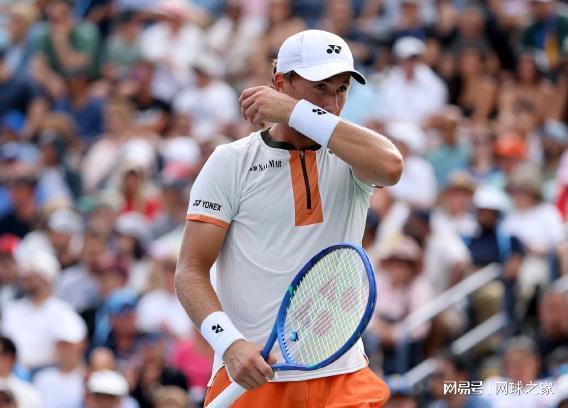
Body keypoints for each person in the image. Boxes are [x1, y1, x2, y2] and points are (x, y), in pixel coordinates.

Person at [175, 29, 402, 407]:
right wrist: (229, 344)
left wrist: (296, 111)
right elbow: (189, 271)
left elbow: (391, 166)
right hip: (252, 377)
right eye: (320, 88)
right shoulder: (231, 161)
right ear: (281, 82)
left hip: (342, 374)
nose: (332, 103)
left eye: (341, 89)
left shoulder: (351, 153)